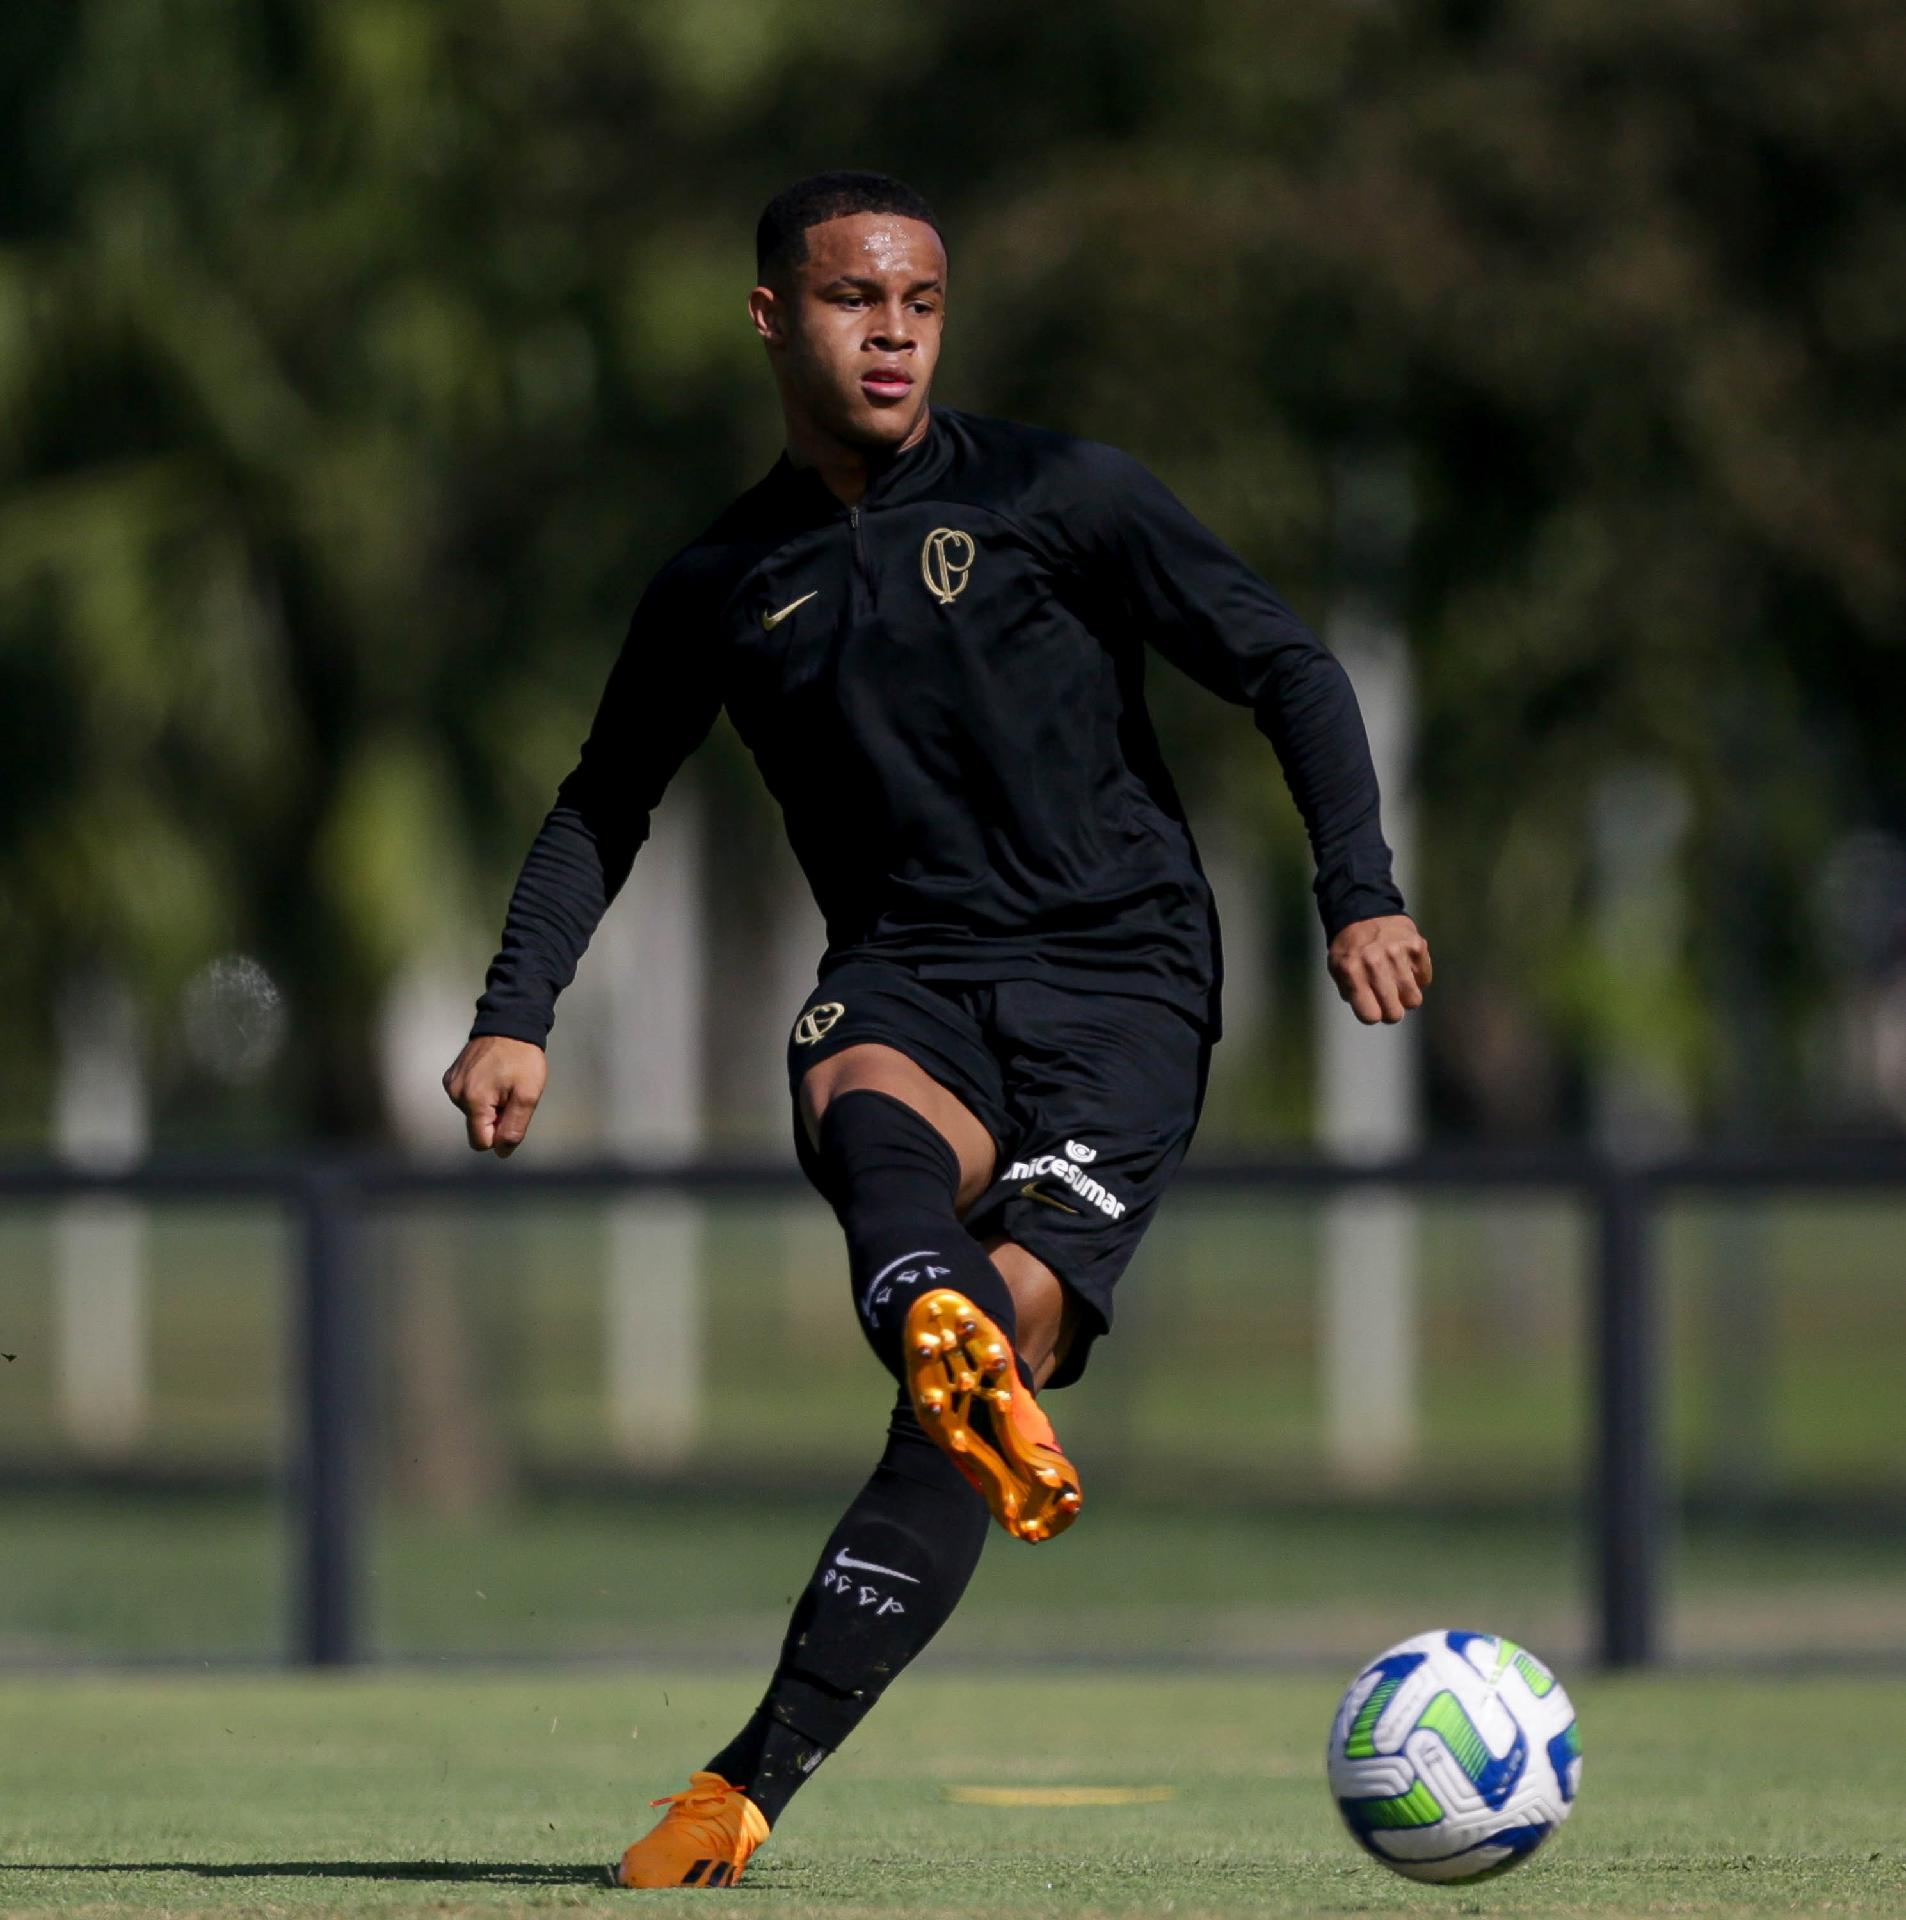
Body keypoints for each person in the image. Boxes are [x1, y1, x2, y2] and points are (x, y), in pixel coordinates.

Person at [443, 170, 1431, 1889]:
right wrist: (516, 1012)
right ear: (773, 316)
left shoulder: (1061, 493)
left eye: (918, 302)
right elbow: (605, 798)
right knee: (856, 1095)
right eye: (851, 300)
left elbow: (1289, 665)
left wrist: (1357, 885)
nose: (891, 331)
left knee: (974, 1388)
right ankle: (930, 1307)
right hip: (906, 968)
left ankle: (743, 1784)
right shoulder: (721, 580)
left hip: (1122, 981)